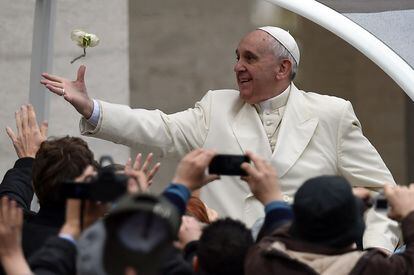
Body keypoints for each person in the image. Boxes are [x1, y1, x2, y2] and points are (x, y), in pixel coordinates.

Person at [40, 26, 398, 251]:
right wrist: (92, 108)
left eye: (249, 58)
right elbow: (159, 127)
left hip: (305, 263)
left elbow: (384, 193)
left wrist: (376, 251)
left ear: (283, 68)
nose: (237, 66)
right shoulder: (217, 106)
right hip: (226, 259)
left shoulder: (331, 114)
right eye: (236, 57)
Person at [245, 177, 414, 275]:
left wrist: (274, 201)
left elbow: (276, 228)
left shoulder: (263, 261)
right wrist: (409, 213)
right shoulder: (371, 268)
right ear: (356, 230)